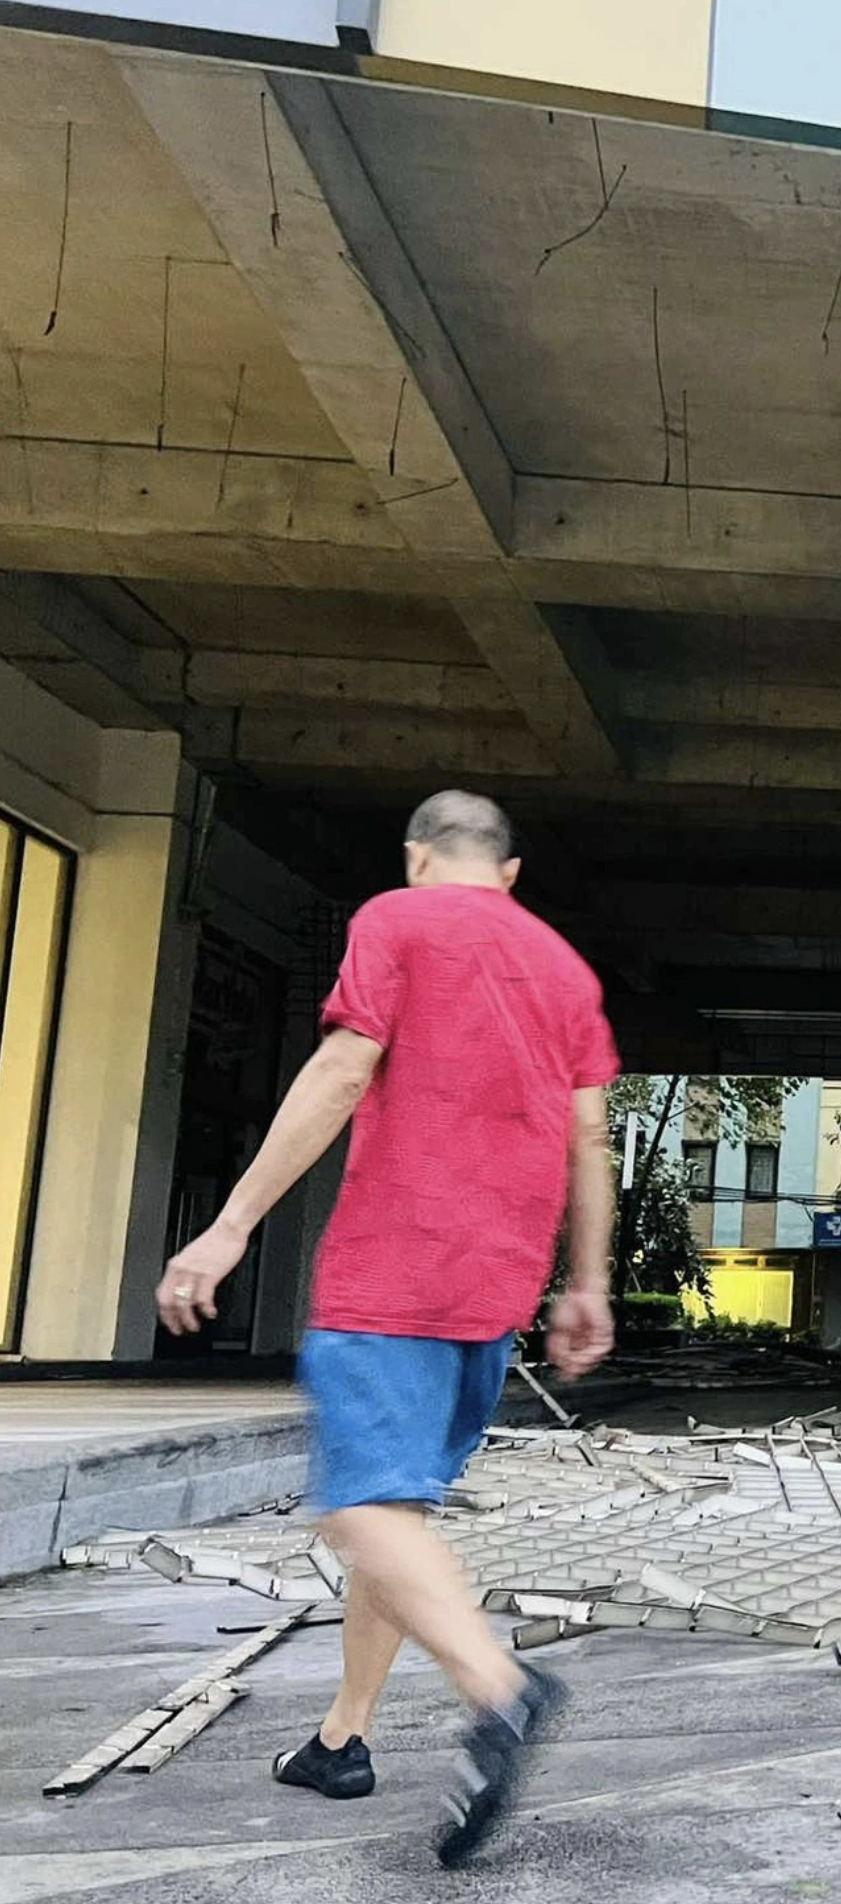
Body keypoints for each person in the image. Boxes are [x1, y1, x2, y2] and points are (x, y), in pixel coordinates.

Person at [155, 789, 619, 1868]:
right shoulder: (564, 969)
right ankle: (342, 1740)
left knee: (360, 1505)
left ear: (419, 858)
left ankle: (502, 1692)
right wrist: (584, 1282)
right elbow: (589, 1138)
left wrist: (226, 1228)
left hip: (392, 1266)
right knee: (396, 1511)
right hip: (495, 1288)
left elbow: (341, 1067)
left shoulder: (394, 920)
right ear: (507, 872)